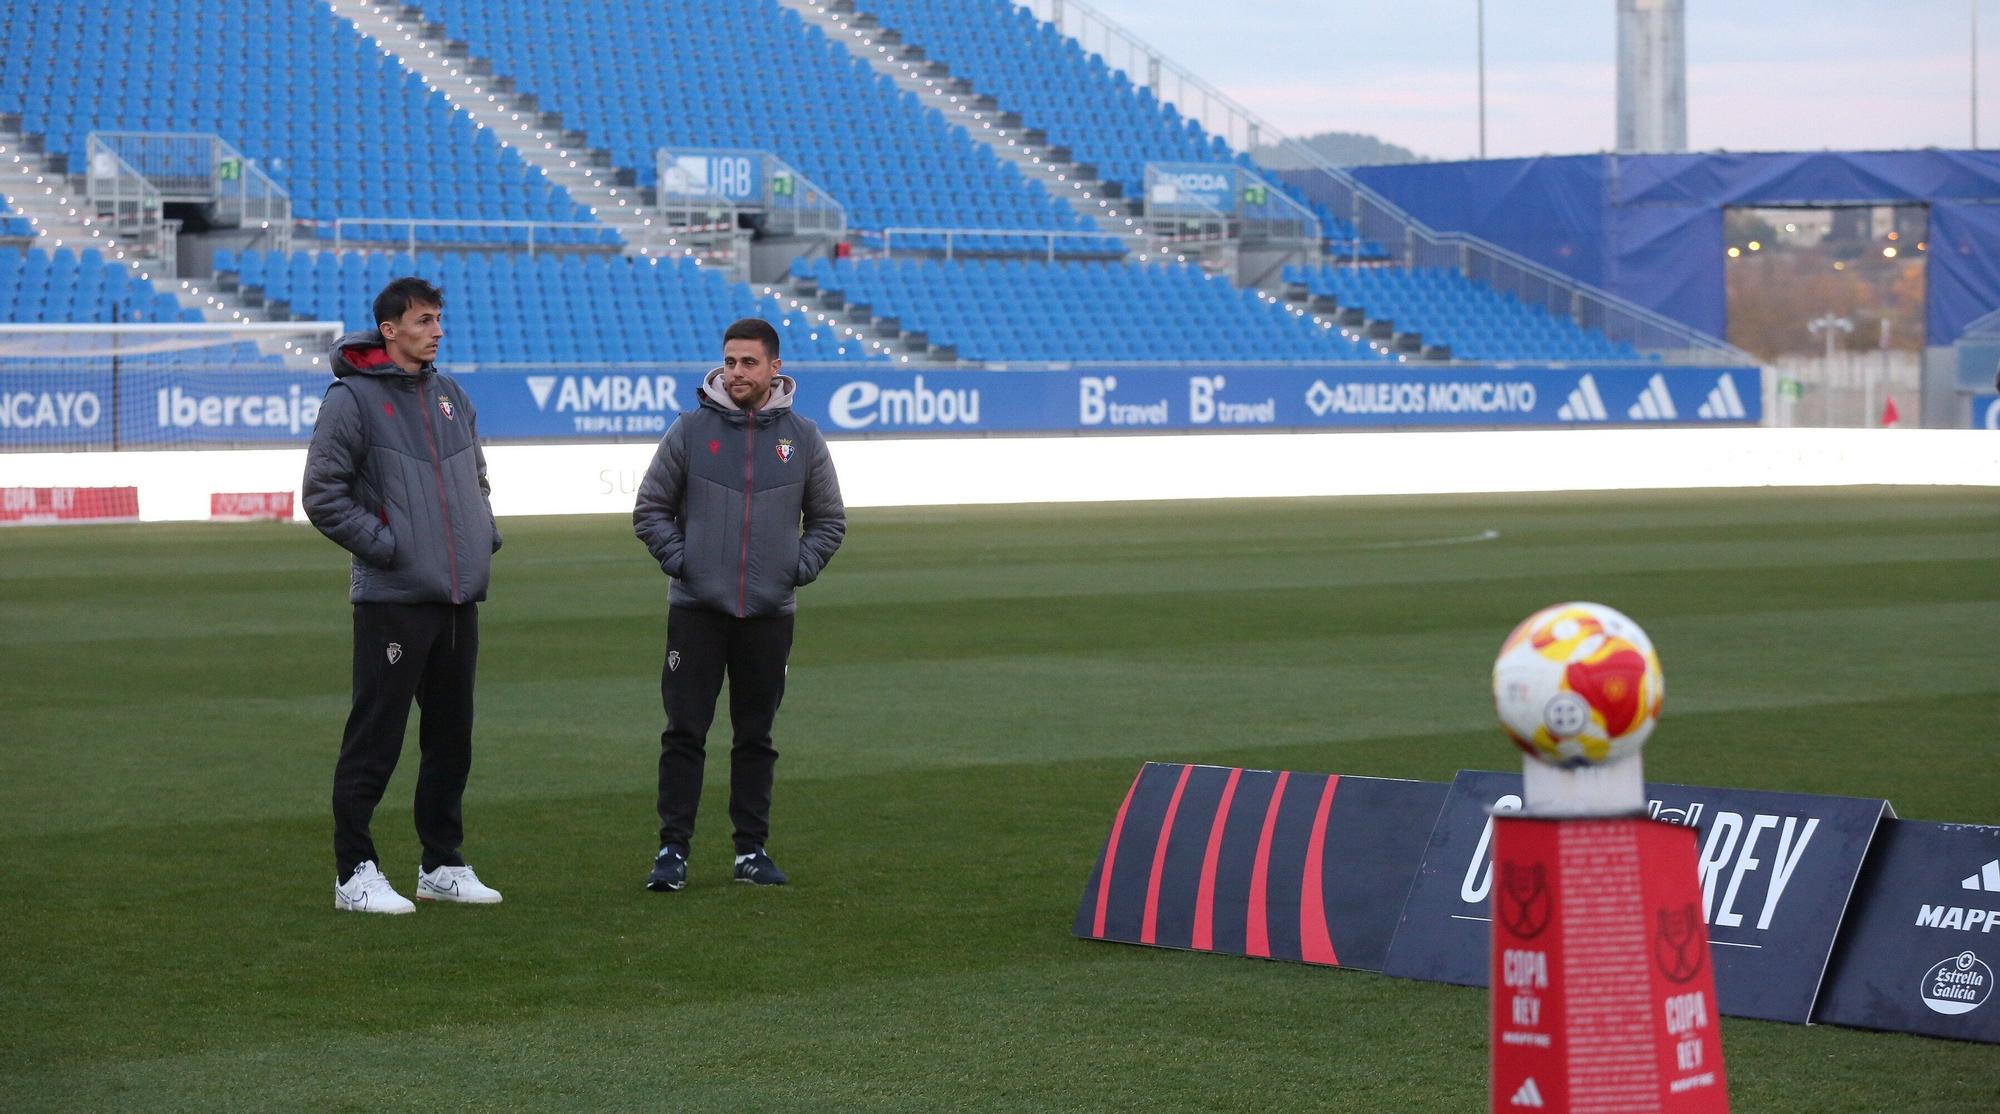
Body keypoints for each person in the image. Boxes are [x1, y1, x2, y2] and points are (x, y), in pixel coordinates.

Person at [303, 277, 504, 914]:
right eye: (423, 320)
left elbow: (477, 479)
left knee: (451, 737)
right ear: (389, 329)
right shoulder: (351, 400)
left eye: (438, 318)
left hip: (457, 595)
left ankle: (441, 863)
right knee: (377, 735)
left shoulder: (451, 395)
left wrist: (483, 535)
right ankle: (354, 872)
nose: (436, 330)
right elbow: (322, 494)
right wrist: (389, 547)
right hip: (392, 596)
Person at [634, 317, 846, 891]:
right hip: (696, 611)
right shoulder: (689, 430)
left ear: (775, 368)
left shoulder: (803, 438)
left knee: (756, 736)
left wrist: (792, 571)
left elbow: (829, 520)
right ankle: (672, 851)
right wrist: (688, 564)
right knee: (684, 732)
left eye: (749, 362)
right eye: (730, 362)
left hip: (769, 614)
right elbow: (650, 509)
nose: (736, 372)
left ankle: (750, 851)